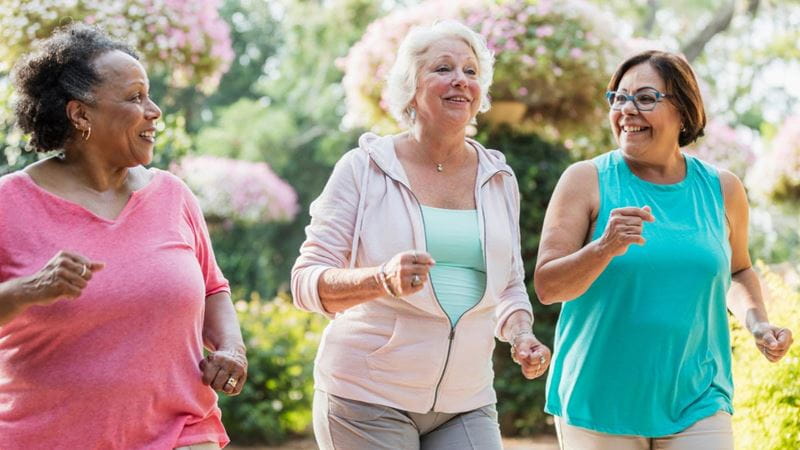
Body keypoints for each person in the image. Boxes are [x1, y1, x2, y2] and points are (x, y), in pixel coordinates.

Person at [291, 20, 551, 450]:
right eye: (443, 68)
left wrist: (521, 333)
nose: (460, 81)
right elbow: (305, 281)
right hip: (366, 398)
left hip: (466, 398)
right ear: (411, 87)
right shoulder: (363, 169)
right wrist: (380, 279)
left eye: (471, 72)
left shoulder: (498, 177)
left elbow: (507, 284)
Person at [0, 24, 247, 449]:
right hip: (45, 436)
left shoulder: (173, 196)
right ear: (80, 115)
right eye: (135, 97)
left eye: (149, 95)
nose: (153, 110)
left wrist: (232, 347)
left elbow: (213, 289)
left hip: (182, 431)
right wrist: (27, 290)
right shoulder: (9, 204)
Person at [535, 50, 794, 449]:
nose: (627, 110)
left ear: (684, 113)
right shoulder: (585, 180)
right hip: (600, 399)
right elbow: (549, 286)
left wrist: (758, 324)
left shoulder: (722, 189)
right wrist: (604, 247)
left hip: (698, 395)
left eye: (645, 98)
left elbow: (737, 271)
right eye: (619, 98)